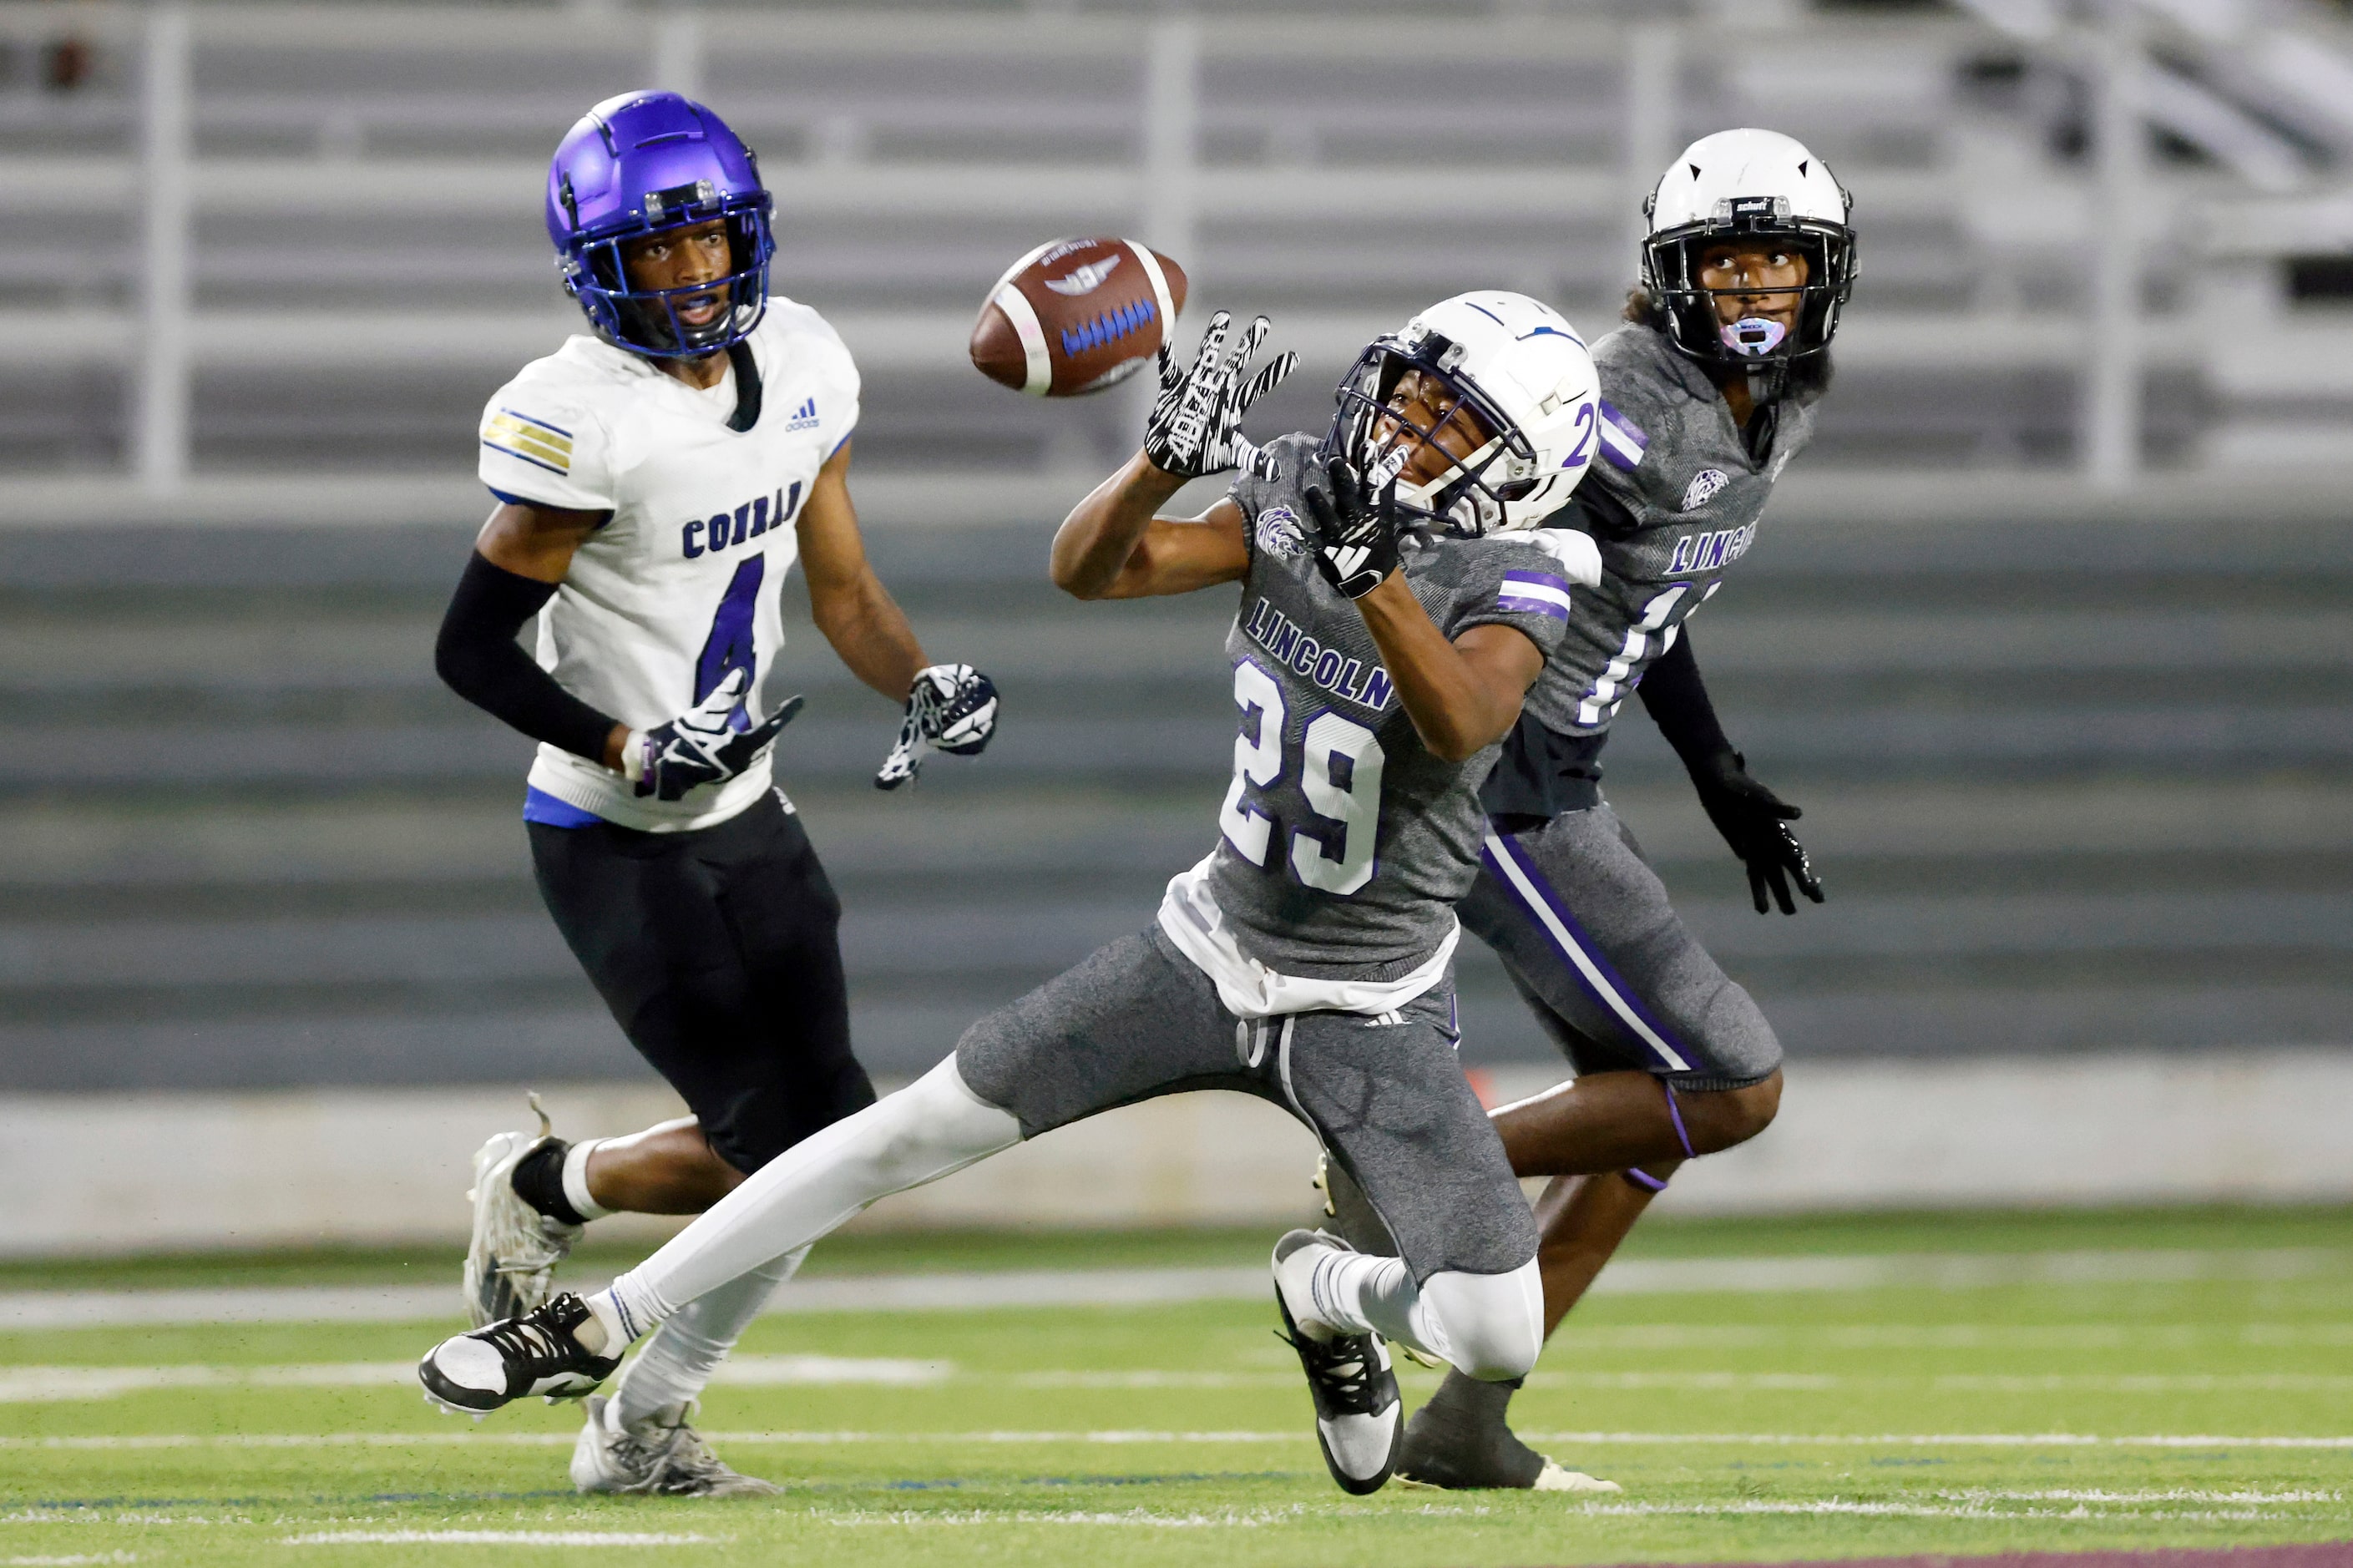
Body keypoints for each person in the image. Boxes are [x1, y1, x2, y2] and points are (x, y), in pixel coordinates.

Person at [415, 291, 1623, 1499]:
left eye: (1449, 419)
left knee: (1495, 1332)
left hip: (1371, 1001)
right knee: (897, 1129)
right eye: (1406, 390)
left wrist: (1377, 581)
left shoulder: (1534, 564)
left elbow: (1464, 719)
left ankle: (1320, 1290)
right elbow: (1094, 569)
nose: (1405, 428)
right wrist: (1154, 466)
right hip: (1205, 951)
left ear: (1524, 468)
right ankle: (596, 1324)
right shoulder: (1304, 490)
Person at [430, 89, 998, 1498]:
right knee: (804, 1152)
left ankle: (557, 1188)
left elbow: (848, 590)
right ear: (591, 263)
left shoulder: (802, 358)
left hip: (750, 809)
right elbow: (468, 648)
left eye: (708, 244)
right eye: (655, 250)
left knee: (831, 1142)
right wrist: (623, 745)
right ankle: (637, 1426)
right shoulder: (579, 421)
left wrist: (921, 682)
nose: (690, 276)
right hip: (611, 830)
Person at [1320, 127, 1855, 1491]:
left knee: (1644, 1118)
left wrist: (1715, 768)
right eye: (1726, 262)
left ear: (1821, 281)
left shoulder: (1782, 399)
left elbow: (1649, 595)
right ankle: (1409, 1157)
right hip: (1500, 779)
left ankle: (1465, 1419)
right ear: (1669, 273)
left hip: (1573, 771)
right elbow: (1482, 547)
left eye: (1779, 265)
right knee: (1732, 1085)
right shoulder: (1614, 399)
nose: (1753, 291)